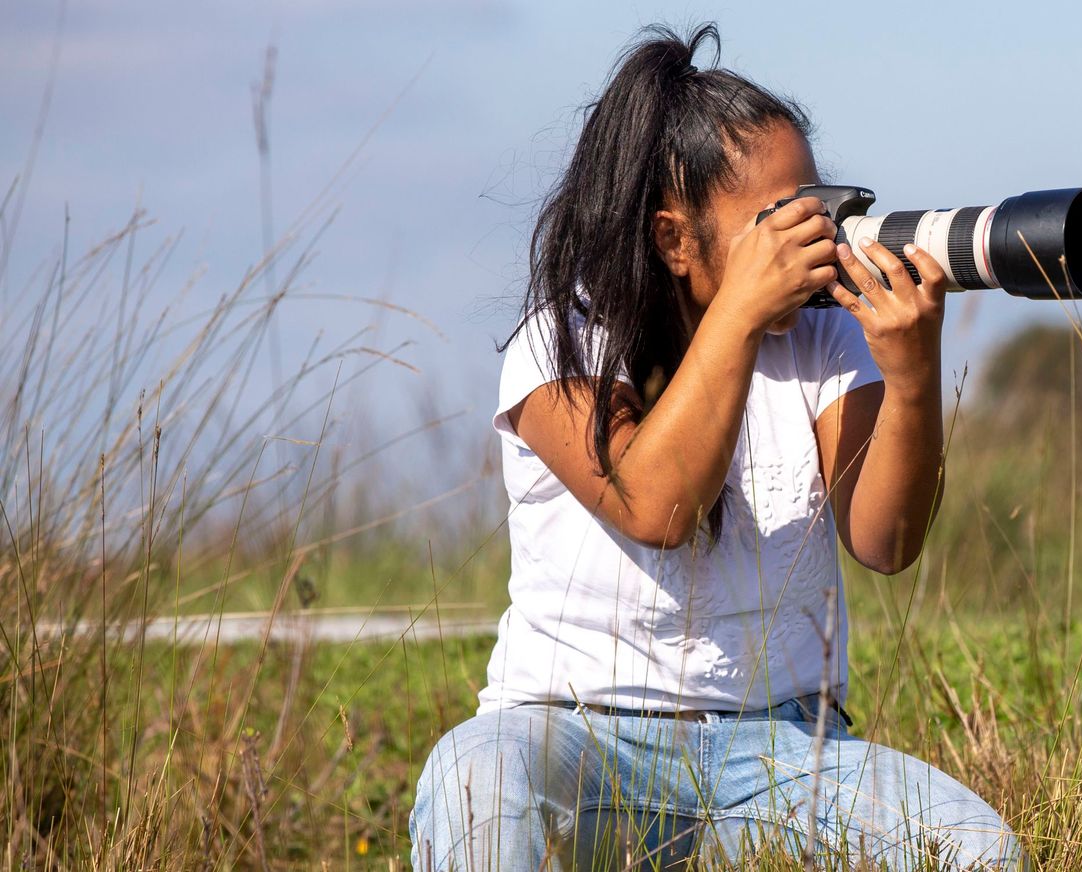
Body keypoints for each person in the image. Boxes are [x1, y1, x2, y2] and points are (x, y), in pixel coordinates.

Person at [407, 22, 1023, 871]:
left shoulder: (820, 340)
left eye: (816, 210)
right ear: (674, 240)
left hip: (784, 748)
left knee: (978, 849)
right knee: (473, 781)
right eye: (779, 225)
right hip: (575, 738)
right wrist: (736, 313)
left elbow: (886, 542)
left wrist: (912, 374)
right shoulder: (560, 343)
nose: (809, 244)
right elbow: (657, 505)